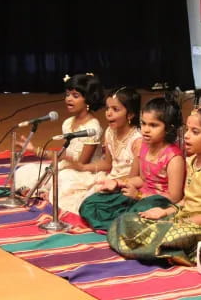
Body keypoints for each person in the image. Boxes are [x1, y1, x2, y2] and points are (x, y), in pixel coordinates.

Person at [107, 105, 201, 266]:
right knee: (127, 219)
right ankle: (166, 251)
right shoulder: (192, 161)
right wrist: (164, 212)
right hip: (186, 219)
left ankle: (172, 252)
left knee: (165, 232)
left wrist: (176, 223)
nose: (187, 136)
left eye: (195, 132)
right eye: (187, 130)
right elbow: (187, 200)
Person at [79, 97, 185, 231]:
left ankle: (121, 225)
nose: (146, 130)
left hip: (157, 202)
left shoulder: (174, 158)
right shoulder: (144, 146)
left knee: (131, 217)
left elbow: (175, 198)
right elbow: (141, 179)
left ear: (169, 128)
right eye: (144, 123)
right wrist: (118, 183)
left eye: (153, 125)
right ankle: (119, 225)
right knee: (90, 203)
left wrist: (140, 196)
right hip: (139, 195)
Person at [15, 73, 104, 204]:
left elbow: (81, 164)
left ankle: (42, 191)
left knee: (63, 179)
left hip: (80, 172)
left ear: (88, 100)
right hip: (65, 166)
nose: (68, 99)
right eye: (67, 94)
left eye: (75, 96)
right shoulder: (68, 123)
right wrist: (34, 150)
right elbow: (63, 153)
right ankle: (40, 191)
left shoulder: (93, 127)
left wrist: (64, 162)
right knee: (24, 170)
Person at [54, 86, 143, 214]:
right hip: (109, 178)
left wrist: (113, 183)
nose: (109, 113)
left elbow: (134, 177)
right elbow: (107, 163)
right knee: (65, 178)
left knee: (87, 203)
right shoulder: (109, 132)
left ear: (130, 114)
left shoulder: (137, 141)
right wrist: (81, 167)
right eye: (107, 108)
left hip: (124, 185)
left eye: (115, 109)